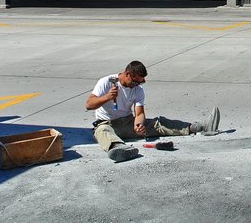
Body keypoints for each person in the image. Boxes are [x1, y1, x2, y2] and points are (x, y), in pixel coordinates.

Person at [85, 61, 220, 162]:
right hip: (107, 123)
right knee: (102, 132)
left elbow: (139, 113)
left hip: (127, 122)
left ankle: (198, 127)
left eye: (140, 83)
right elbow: (89, 105)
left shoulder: (138, 90)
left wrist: (139, 125)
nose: (137, 85)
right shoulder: (105, 82)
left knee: (158, 123)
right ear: (127, 74)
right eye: (135, 82)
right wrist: (107, 97)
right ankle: (118, 148)